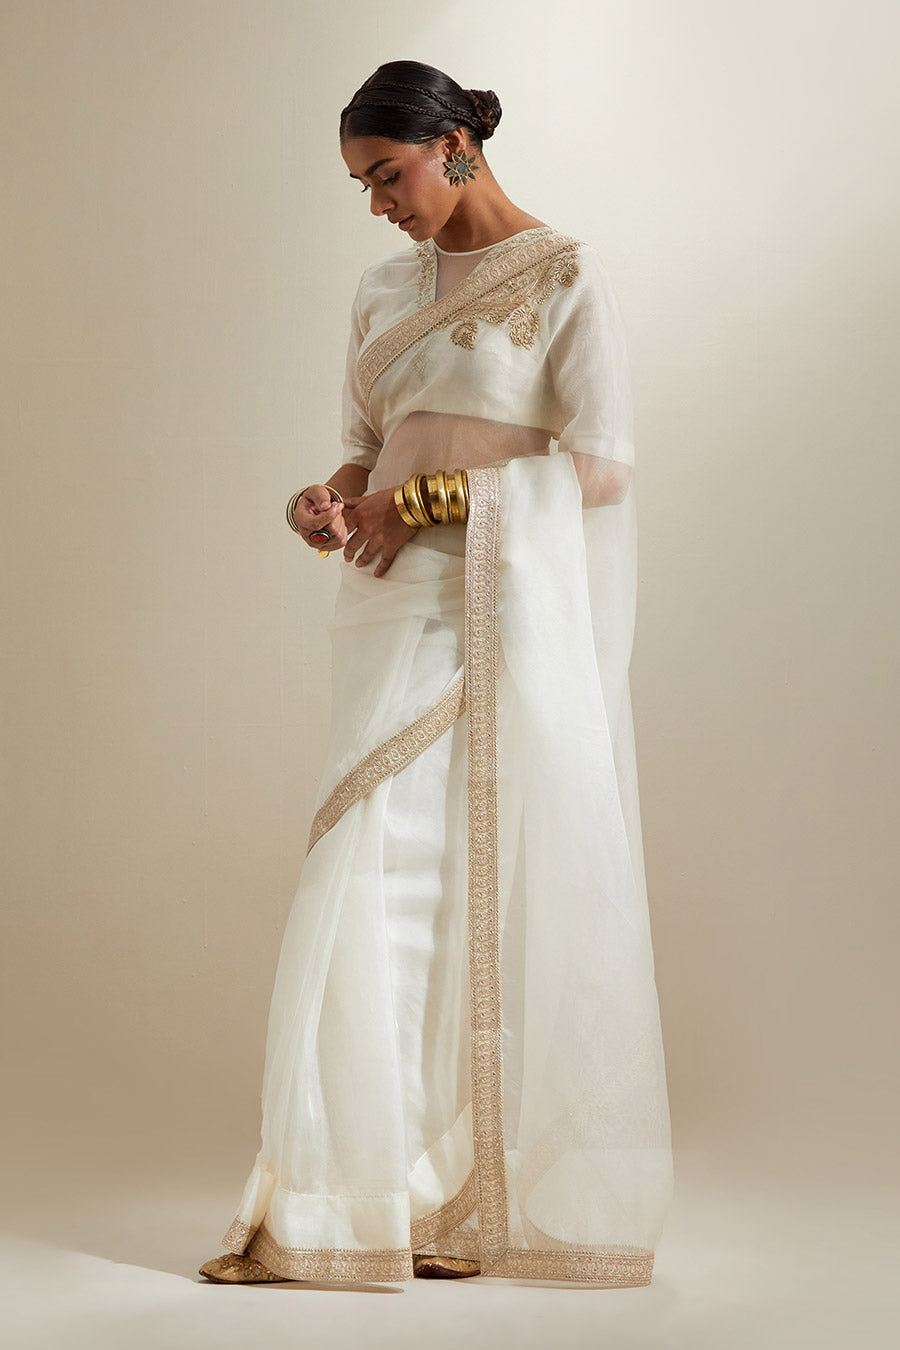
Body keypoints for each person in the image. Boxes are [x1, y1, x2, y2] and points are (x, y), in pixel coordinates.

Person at [199, 59, 673, 1288]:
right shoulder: (380, 290)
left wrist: (421, 502)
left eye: (388, 175)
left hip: (490, 606)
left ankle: (439, 1196)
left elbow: (603, 469)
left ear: (457, 142)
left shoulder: (563, 276)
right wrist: (328, 502)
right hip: (383, 607)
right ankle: (360, 1193)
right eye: (361, 185)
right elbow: (364, 450)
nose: (377, 205)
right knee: (369, 875)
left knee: (443, 881)